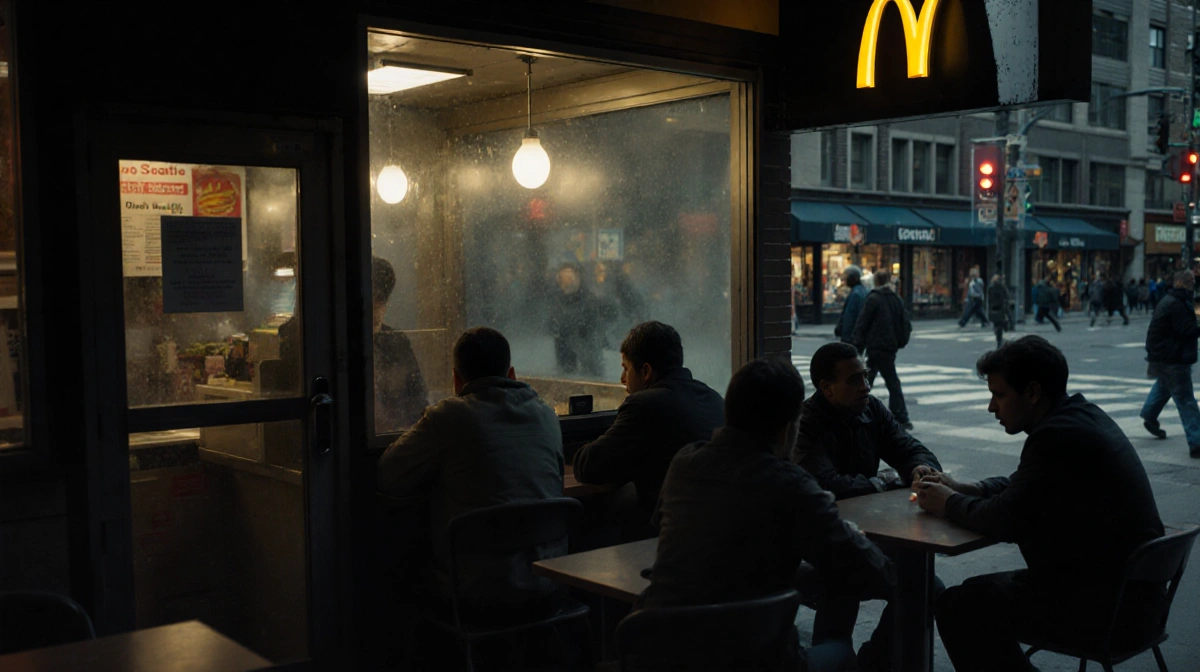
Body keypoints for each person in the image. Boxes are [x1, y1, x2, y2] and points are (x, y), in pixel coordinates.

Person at [916, 336, 1165, 672]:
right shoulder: (1080, 416)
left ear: (1032, 393)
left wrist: (949, 503)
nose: (991, 407)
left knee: (959, 606)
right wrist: (968, 488)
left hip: (1105, 610)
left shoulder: (1057, 436)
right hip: (1133, 598)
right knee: (973, 596)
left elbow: (1005, 519)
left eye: (999, 395)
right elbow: (1026, 486)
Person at [639, 357, 895, 672]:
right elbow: (876, 574)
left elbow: (664, 524)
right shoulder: (791, 485)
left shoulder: (684, 463)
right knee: (839, 647)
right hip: (757, 659)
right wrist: (849, 533)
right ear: (788, 429)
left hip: (660, 649)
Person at [377, 327, 565, 620]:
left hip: (474, 594)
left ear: (456, 379)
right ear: (512, 374)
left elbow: (388, 474)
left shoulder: (447, 417)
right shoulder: (546, 415)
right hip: (548, 585)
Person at [791, 342, 942, 671]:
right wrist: (884, 482)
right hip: (815, 544)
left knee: (925, 584)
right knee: (844, 580)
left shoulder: (871, 409)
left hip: (863, 534)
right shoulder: (807, 423)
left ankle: (872, 661)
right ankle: (842, 658)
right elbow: (824, 485)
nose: (866, 386)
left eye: (865, 376)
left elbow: (911, 448)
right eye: (854, 380)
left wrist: (921, 467)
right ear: (827, 388)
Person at [571, 321, 724, 539]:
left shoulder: (644, 405)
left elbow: (589, 466)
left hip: (664, 533)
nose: (622, 379)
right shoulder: (714, 399)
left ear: (646, 371)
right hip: (713, 529)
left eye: (626, 369)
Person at [1139, 270, 1200, 456]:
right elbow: (1186, 330)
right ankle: (1196, 442)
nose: (1194, 282)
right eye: (1191, 280)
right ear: (1183, 282)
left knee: (1164, 387)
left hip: (1163, 356)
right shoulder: (1176, 303)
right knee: (1186, 400)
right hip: (1173, 358)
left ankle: (1149, 416)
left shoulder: (1173, 300)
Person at [372, 257, 429, 432]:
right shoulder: (395, 340)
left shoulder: (396, 341)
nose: (377, 306)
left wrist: (407, 426)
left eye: (380, 299)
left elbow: (418, 394)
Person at [851, 269, 912, 429]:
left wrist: (857, 345)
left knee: (873, 380)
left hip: (875, 345)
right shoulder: (896, 299)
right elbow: (905, 323)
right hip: (889, 347)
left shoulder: (873, 298)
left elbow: (863, 322)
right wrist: (899, 342)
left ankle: (854, 411)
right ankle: (900, 415)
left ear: (876, 281)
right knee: (887, 380)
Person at [548, 262, 611, 377]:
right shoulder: (556, 300)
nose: (566, 283)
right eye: (563, 279)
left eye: (569, 278)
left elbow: (592, 327)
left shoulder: (589, 299)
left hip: (588, 356)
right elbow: (550, 325)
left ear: (578, 279)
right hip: (565, 356)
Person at [834, 266, 867, 344]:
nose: (844, 281)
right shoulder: (859, 291)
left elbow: (850, 317)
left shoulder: (856, 294)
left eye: (846, 278)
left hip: (851, 337)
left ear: (852, 278)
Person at [987, 273, 1010, 349]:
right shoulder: (1002, 286)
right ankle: (999, 340)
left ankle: (998, 338)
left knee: (996, 324)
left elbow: (989, 300)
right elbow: (1006, 296)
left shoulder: (990, 287)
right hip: (1001, 308)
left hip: (993, 308)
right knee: (1000, 324)